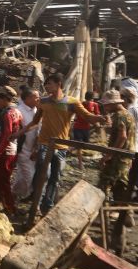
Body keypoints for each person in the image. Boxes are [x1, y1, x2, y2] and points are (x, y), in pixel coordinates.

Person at [24, 73, 107, 214]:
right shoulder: (43, 102)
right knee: (41, 175)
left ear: (58, 84)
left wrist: (100, 118)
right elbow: (35, 122)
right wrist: (20, 132)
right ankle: (36, 204)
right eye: (46, 84)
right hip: (44, 144)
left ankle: (47, 207)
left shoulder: (71, 102)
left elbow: (88, 117)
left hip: (61, 147)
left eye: (49, 83)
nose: (46, 86)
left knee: (55, 178)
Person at [97, 90, 136, 199]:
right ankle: (126, 213)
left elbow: (122, 137)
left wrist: (109, 155)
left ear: (113, 103)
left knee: (104, 184)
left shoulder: (120, 116)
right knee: (120, 186)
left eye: (106, 104)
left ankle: (103, 212)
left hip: (118, 158)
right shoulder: (128, 114)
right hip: (126, 157)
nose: (105, 107)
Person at [0, 86, 22, 217]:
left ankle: (9, 208)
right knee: (5, 180)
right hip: (13, 149)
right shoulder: (17, 111)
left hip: (7, 150)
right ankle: (9, 206)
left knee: (3, 180)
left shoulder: (7, 113)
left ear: (5, 99)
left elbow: (7, 135)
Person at [12, 87, 40, 201]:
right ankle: (30, 195)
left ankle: (14, 193)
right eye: (36, 97)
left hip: (33, 148)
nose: (39, 99)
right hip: (22, 148)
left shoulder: (37, 111)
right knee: (30, 175)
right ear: (28, 98)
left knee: (22, 174)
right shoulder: (18, 111)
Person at [71, 91, 101, 168]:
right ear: (93, 97)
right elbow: (97, 116)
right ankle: (80, 163)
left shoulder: (81, 104)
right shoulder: (94, 105)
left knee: (82, 145)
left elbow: (77, 115)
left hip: (79, 127)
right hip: (84, 127)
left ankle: (70, 149)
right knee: (80, 146)